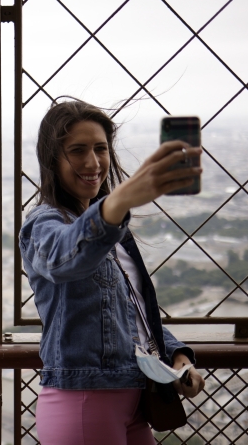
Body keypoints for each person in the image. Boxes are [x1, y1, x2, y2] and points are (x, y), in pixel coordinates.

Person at [19, 98, 206, 444]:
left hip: (132, 399)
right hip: (83, 399)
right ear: (52, 160)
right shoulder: (43, 223)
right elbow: (62, 258)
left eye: (100, 148)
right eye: (77, 151)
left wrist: (176, 355)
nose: (93, 162)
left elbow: (129, 314)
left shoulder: (115, 230)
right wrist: (118, 202)